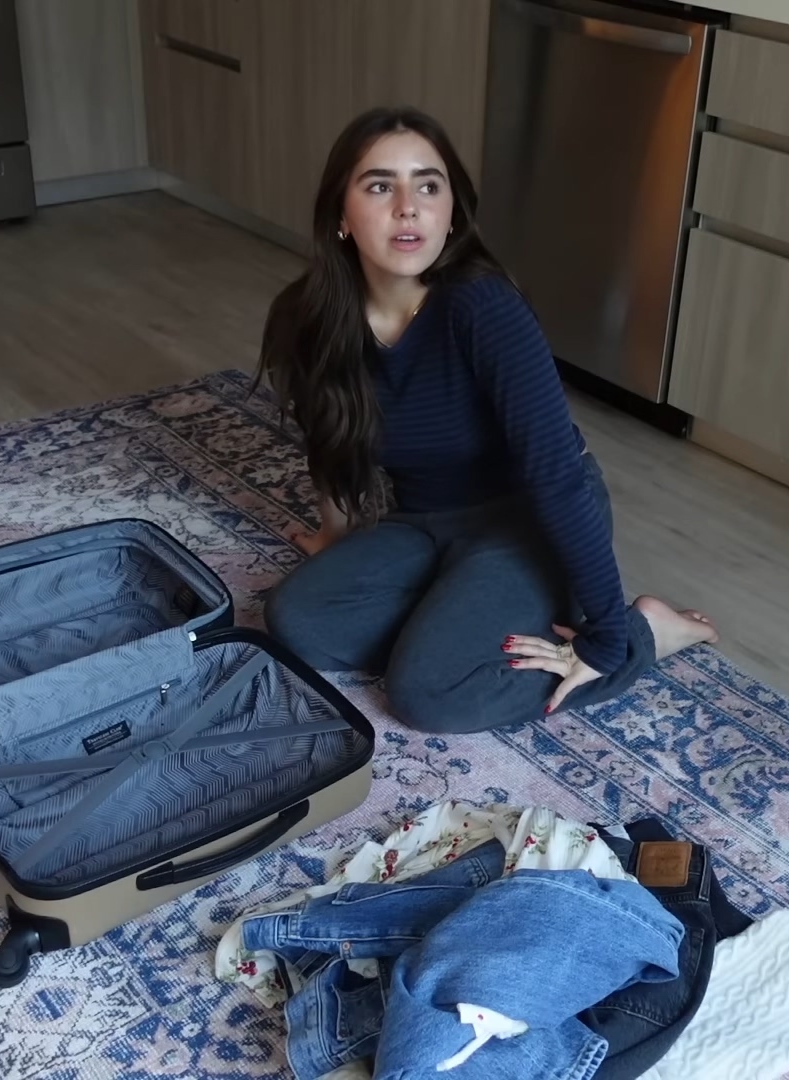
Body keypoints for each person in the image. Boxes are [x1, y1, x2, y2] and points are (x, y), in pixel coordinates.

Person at [259, 106, 716, 735]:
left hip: (528, 522)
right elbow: (331, 440)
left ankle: (651, 631)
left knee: (429, 694)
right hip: (426, 523)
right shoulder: (309, 316)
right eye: (380, 186)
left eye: (428, 186)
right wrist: (337, 545)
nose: (408, 208)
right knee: (298, 620)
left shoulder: (483, 307)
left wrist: (611, 635)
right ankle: (455, 610)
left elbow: (557, 475)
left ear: (451, 212)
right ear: (341, 213)